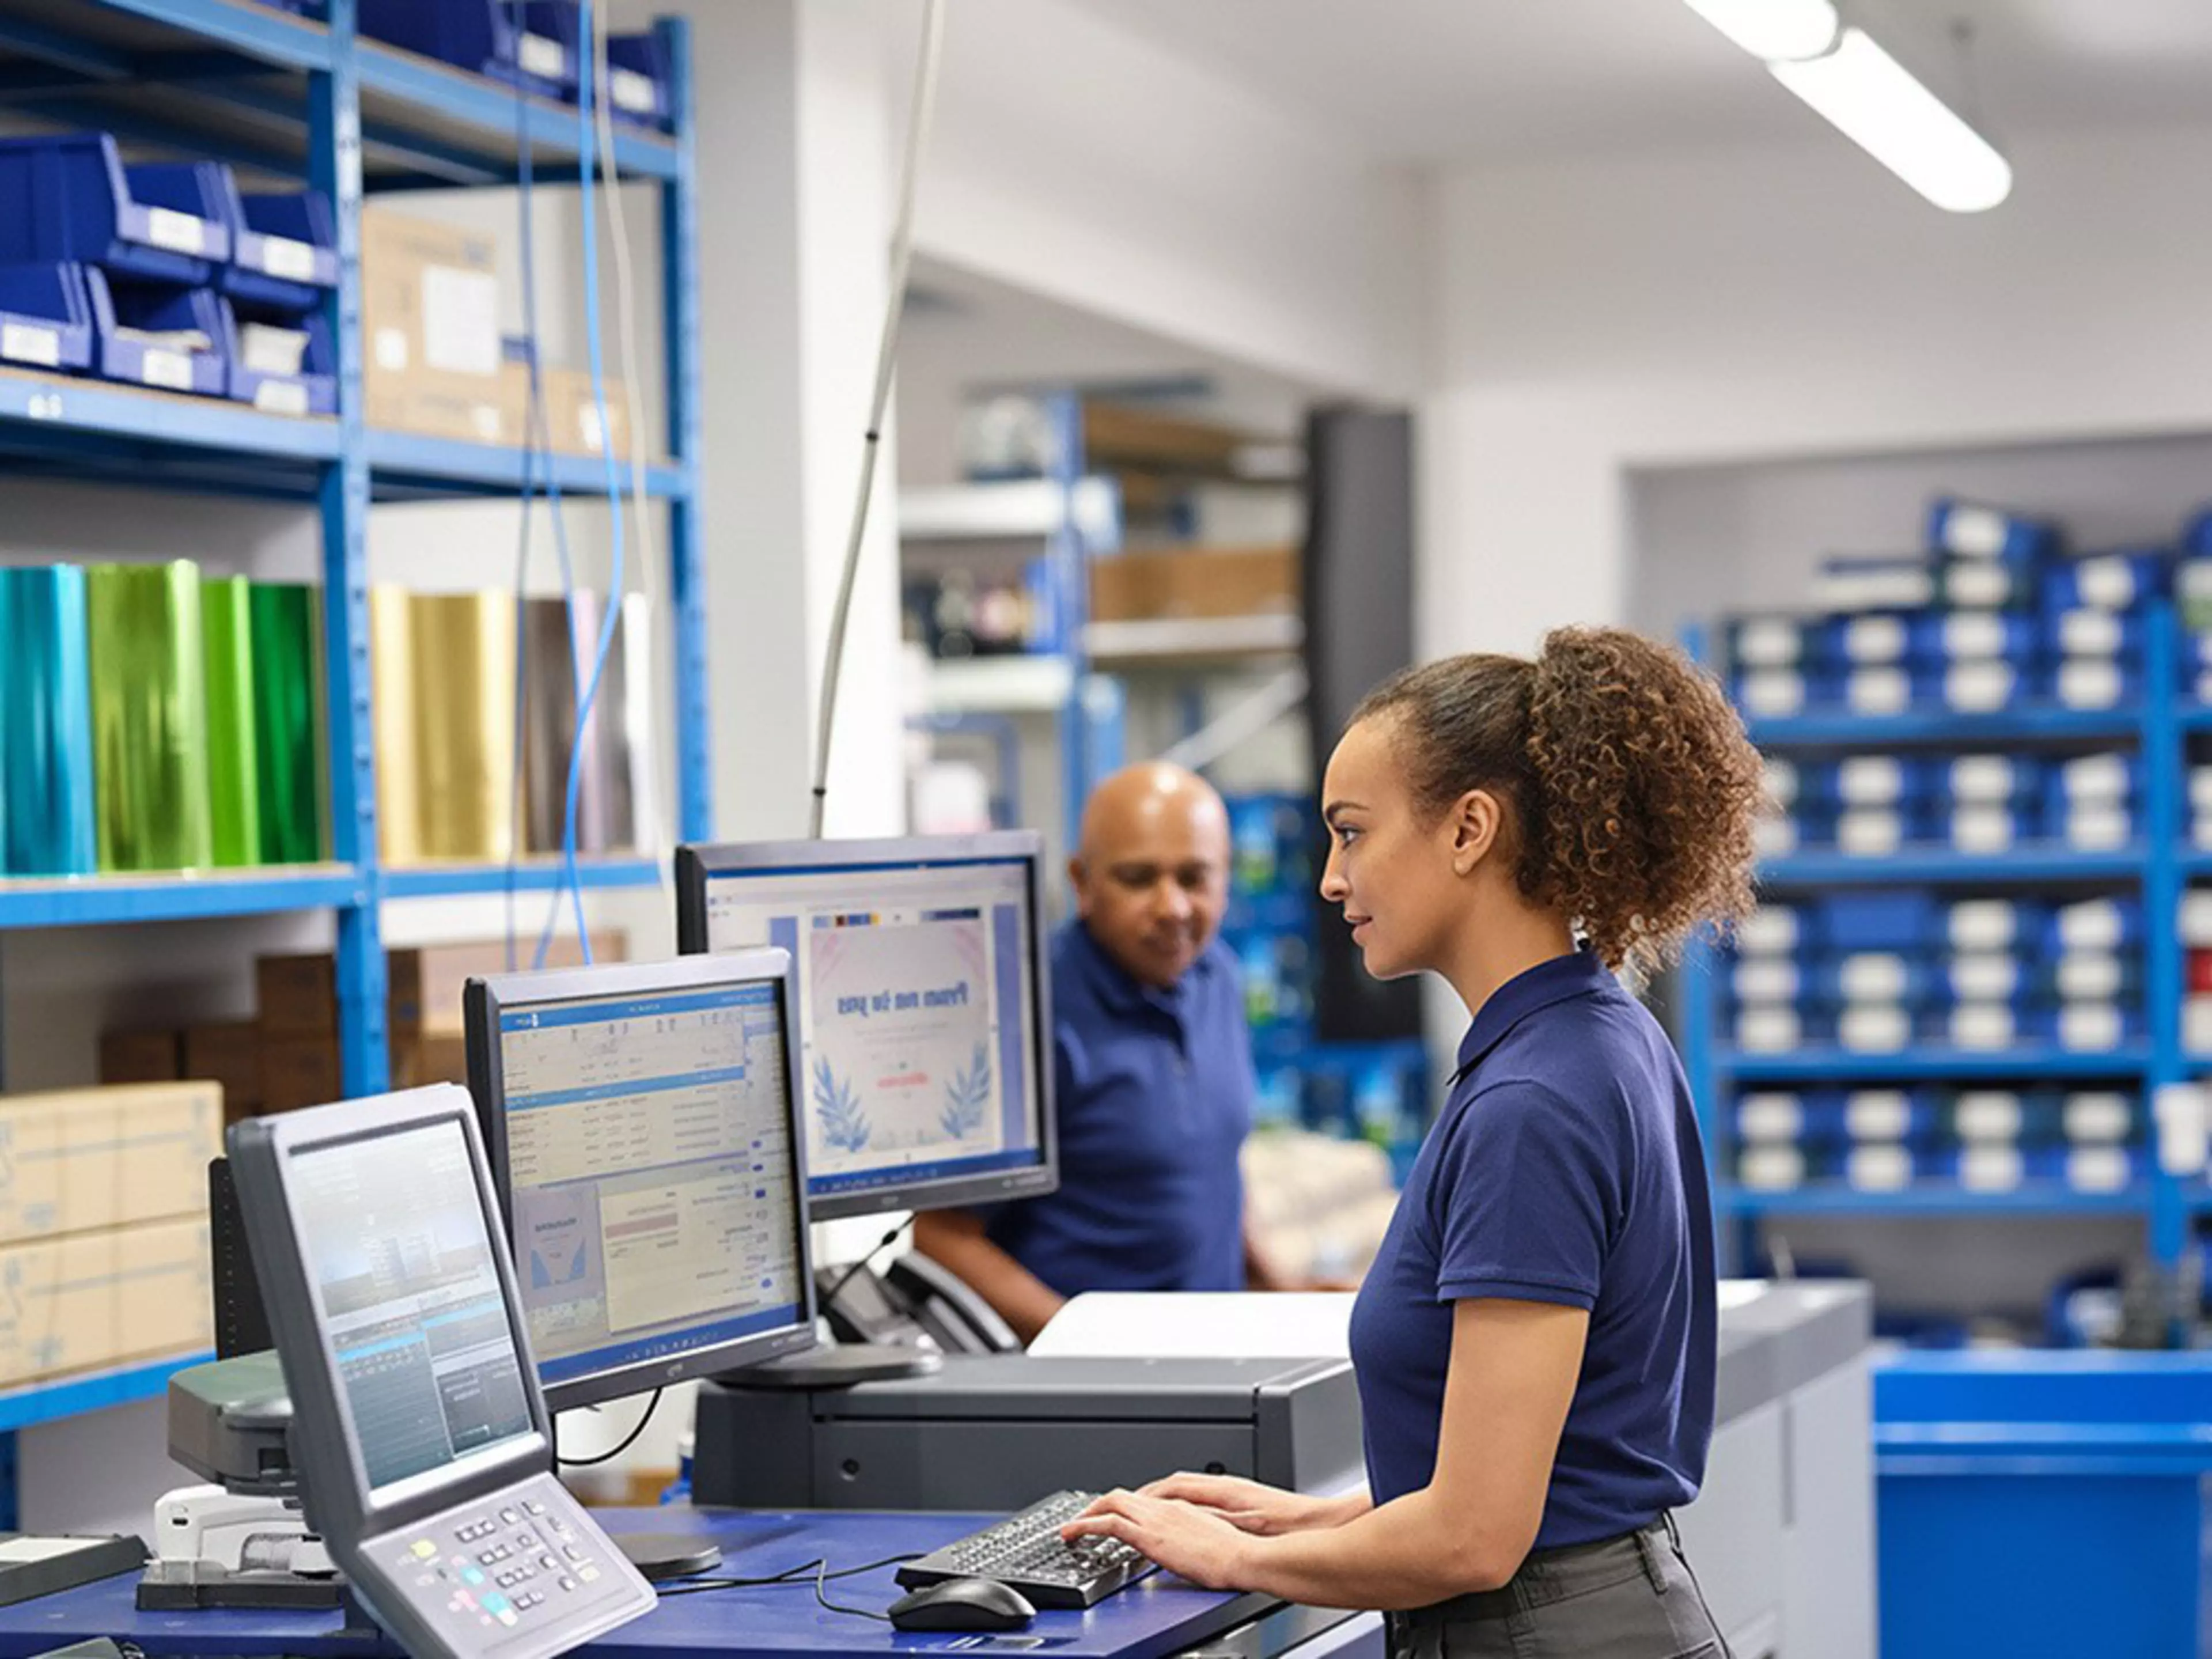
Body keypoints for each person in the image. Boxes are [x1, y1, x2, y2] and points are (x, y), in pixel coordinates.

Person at [1061, 627, 1762, 1659]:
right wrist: (1299, 1518)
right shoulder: (1595, 1035)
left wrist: (1234, 1562)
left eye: (1351, 833)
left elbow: (1476, 1539)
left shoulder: (1535, 1100)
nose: (1330, 881)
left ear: (1470, 828)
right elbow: (1545, 1486)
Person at [915, 762, 1286, 1343]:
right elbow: (941, 1239)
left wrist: (1282, 1292)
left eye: (1195, 877)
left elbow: (1212, 1166)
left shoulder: (1219, 979)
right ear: (1081, 883)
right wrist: (1087, 1344)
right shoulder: (1020, 1015)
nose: (1173, 908)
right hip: (1096, 1391)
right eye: (1139, 879)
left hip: (1216, 1362)